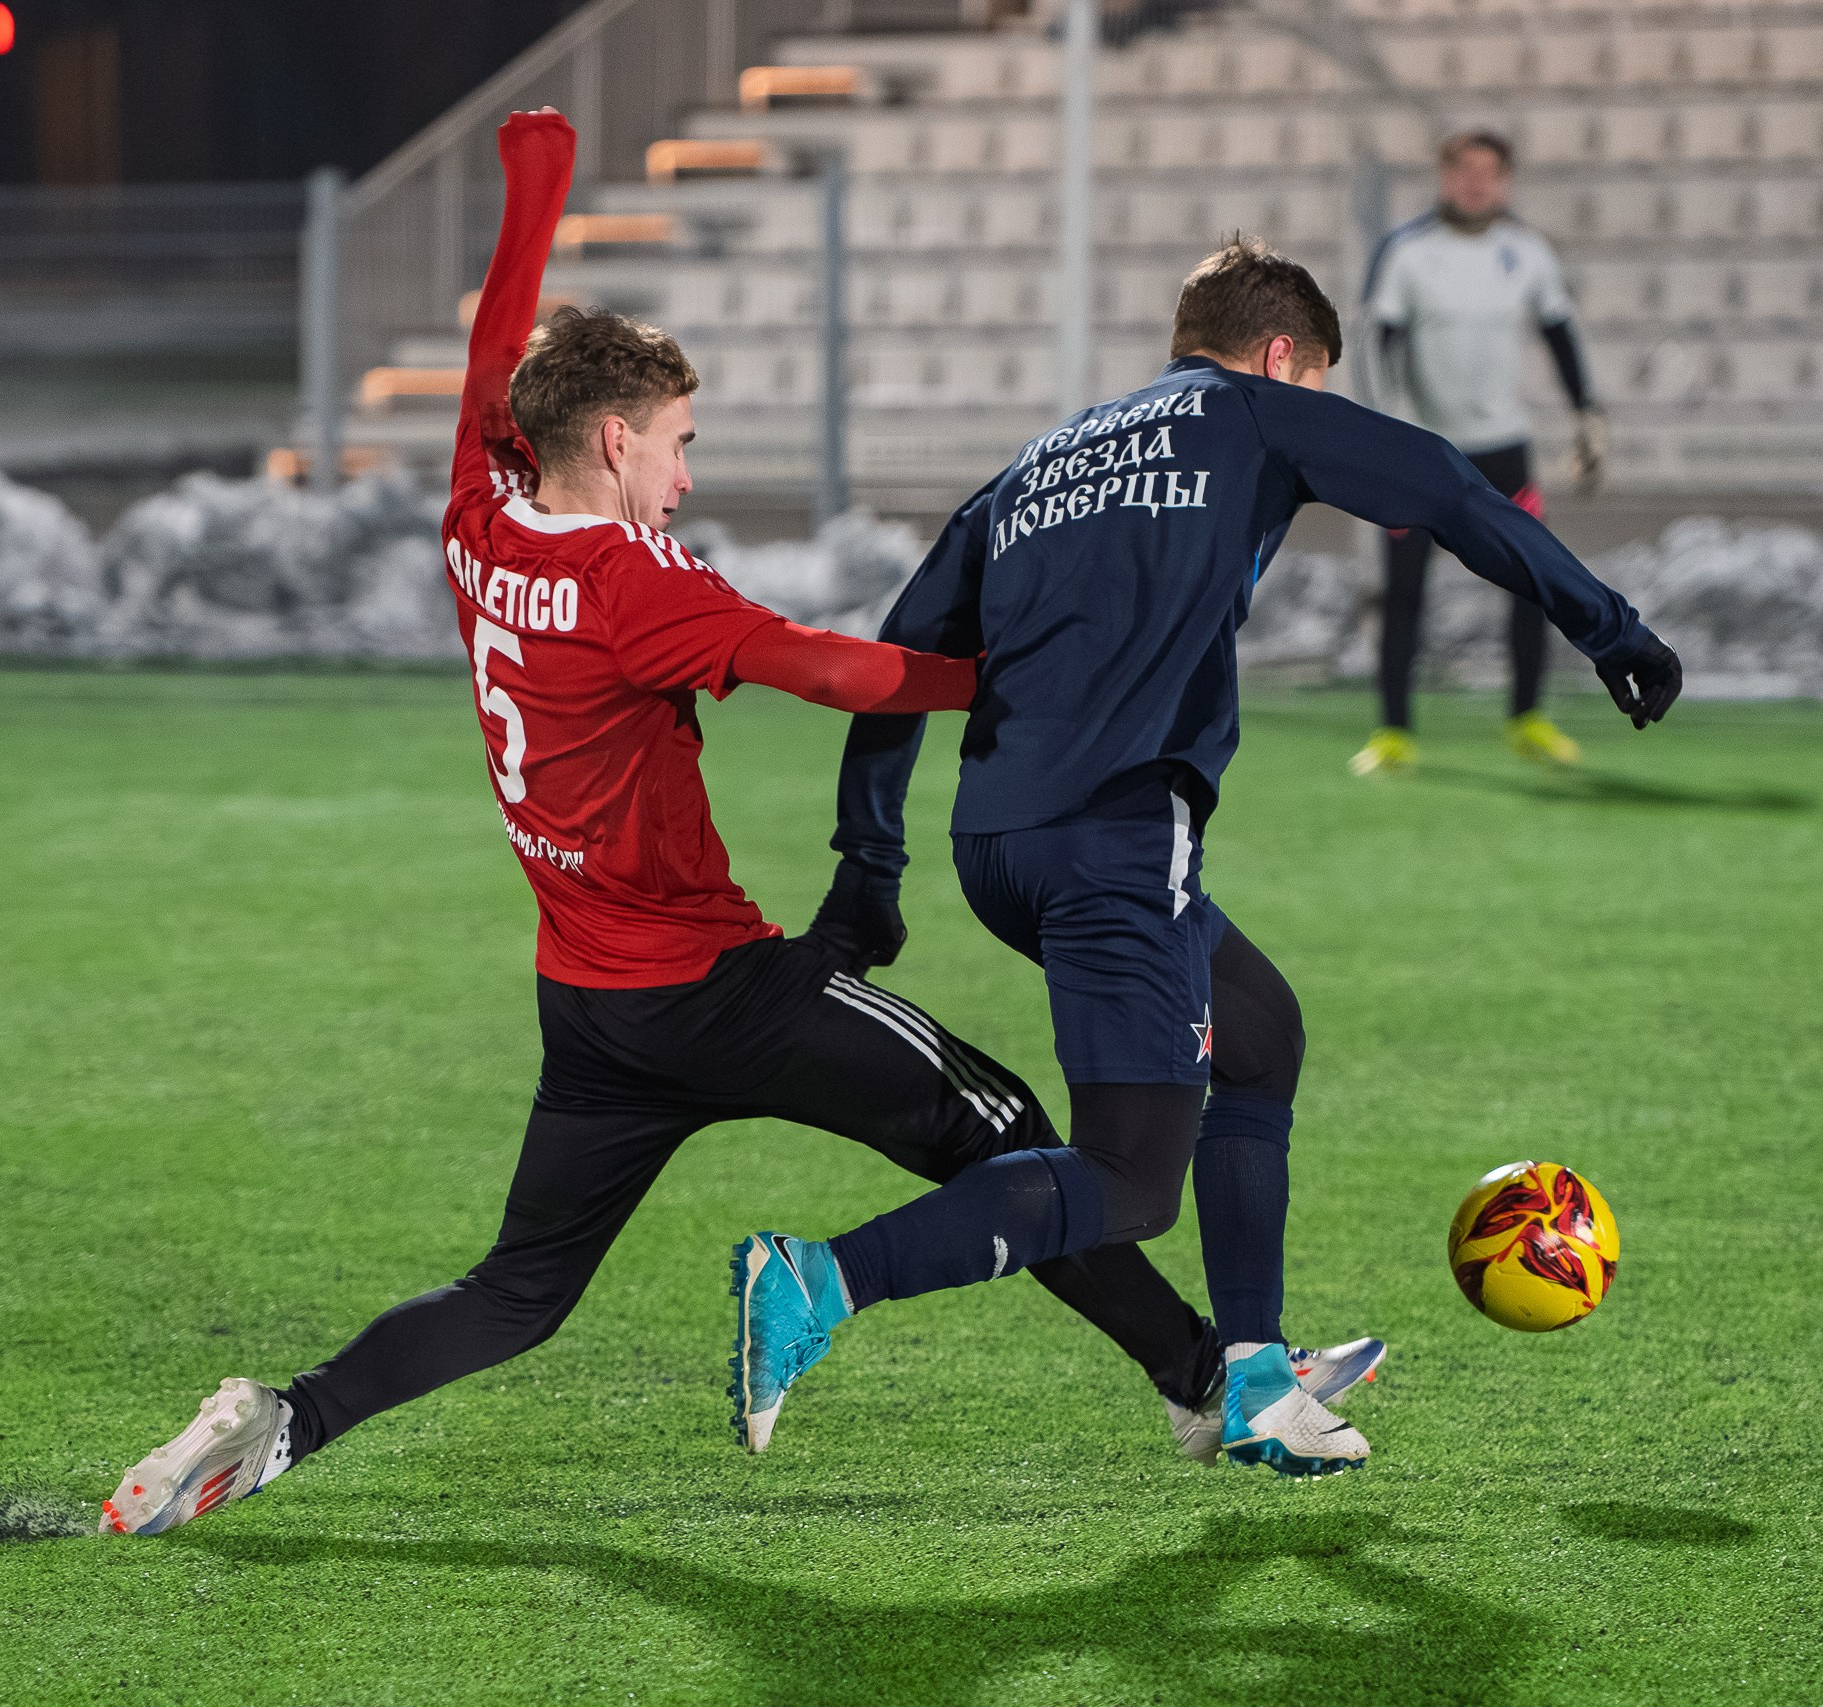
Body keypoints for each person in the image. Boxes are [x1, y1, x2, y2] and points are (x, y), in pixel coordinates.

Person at [95, 111, 1314, 1537]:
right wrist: (1012, 672)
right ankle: (1199, 1378)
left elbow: (496, 350)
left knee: (518, 1290)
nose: (685, 473)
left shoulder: (478, 519)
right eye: (678, 443)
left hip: (592, 1010)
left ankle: (282, 1420)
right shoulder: (635, 587)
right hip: (721, 988)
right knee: (1009, 1130)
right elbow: (837, 668)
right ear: (612, 441)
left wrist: (535, 186)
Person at [744, 237, 1681, 1479]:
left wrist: (868, 864)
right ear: (1282, 356)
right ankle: (818, 1284)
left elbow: (902, 657)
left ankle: (1249, 1376)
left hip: (1001, 843)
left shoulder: (1042, 459)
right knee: (1130, 1178)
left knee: (1259, 1038)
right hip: (1119, 833)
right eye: (1317, 380)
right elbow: (1450, 490)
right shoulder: (1252, 414)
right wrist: (1607, 626)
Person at [1353, 129, 1612, 775]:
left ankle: (1527, 717)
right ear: (1444, 177)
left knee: (1531, 582)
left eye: (1488, 172)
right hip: (1421, 450)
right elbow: (1376, 342)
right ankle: (1393, 732)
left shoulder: (1527, 253)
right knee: (1405, 588)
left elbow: (1558, 333)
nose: (1475, 183)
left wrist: (1588, 412)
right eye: (1463, 170)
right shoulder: (1407, 253)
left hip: (1504, 450)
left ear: (1505, 181)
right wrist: (1383, 428)